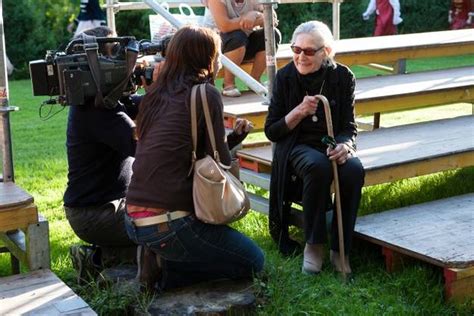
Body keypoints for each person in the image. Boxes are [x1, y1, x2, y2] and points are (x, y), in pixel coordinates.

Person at [124, 25, 263, 290]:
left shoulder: (154, 93)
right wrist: (230, 144)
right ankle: (169, 271)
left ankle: (159, 256)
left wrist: (233, 138)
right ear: (207, 58)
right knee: (253, 261)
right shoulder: (205, 93)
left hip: (132, 221)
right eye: (218, 55)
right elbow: (219, 159)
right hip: (169, 224)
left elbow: (181, 149)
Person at [264, 21, 365, 275]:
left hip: (331, 143)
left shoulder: (342, 77)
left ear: (326, 51)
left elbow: (349, 126)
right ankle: (314, 244)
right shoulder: (285, 77)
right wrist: (297, 112)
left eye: (309, 51)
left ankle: (341, 249)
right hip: (297, 145)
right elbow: (272, 130)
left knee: (354, 170)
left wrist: (345, 146)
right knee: (318, 166)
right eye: (296, 49)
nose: (300, 56)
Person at [64, 26, 141, 283]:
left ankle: (103, 257)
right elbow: (145, 150)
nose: (122, 63)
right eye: (115, 56)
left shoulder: (98, 102)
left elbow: (135, 104)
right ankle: (107, 260)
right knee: (163, 223)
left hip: (100, 207)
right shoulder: (99, 111)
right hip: (97, 214)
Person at [203, 0, 280, 97]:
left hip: (244, 43)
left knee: (272, 33)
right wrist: (250, 18)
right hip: (215, 47)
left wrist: (254, 14)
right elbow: (224, 26)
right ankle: (228, 84)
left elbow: (272, 19)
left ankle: (254, 81)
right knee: (237, 36)